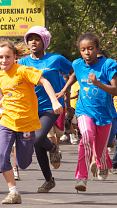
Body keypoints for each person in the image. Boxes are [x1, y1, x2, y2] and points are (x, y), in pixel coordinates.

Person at [0, 40, 62, 204]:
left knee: (23, 162)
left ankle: (52, 148)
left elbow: (45, 82)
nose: (4, 60)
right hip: (7, 121)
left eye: (7, 57)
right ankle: (13, 192)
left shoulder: (23, 70)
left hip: (26, 123)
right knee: (1, 157)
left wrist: (54, 102)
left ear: (15, 57)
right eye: (0, 57)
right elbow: (8, 95)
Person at [60, 33, 117, 192]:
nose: (86, 52)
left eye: (90, 49)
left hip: (105, 114)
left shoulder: (108, 65)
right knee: (86, 137)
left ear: (97, 49)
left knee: (99, 149)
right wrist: (64, 90)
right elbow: (74, 75)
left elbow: (116, 90)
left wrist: (97, 83)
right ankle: (81, 177)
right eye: (83, 49)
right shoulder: (78, 64)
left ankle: (103, 163)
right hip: (84, 111)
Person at [18, 26, 72, 193]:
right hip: (30, 107)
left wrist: (64, 92)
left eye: (37, 39)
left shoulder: (56, 59)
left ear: (44, 41)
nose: (33, 42)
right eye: (30, 39)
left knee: (39, 137)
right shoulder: (23, 62)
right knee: (37, 144)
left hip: (51, 106)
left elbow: (74, 71)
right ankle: (49, 180)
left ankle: (53, 148)